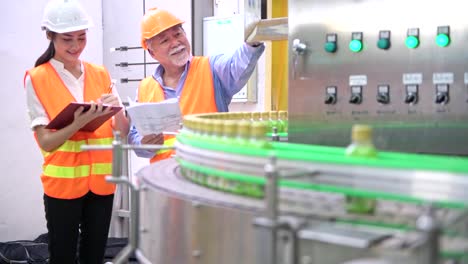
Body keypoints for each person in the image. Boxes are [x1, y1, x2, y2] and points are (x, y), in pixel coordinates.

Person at [24, 0, 129, 263]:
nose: (76, 46)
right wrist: (77, 123)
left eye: (81, 38)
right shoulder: (37, 77)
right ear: (50, 36)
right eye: (67, 39)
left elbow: (123, 133)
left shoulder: (100, 73)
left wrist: (121, 110)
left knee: (94, 256)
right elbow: (46, 141)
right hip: (63, 187)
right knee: (62, 256)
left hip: (102, 184)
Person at [128, 7, 265, 163]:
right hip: (165, 180)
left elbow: (236, 65)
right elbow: (134, 137)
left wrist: (252, 42)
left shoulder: (211, 68)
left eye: (178, 34)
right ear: (152, 53)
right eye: (165, 40)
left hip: (209, 176)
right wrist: (144, 144)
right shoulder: (145, 88)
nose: (175, 43)